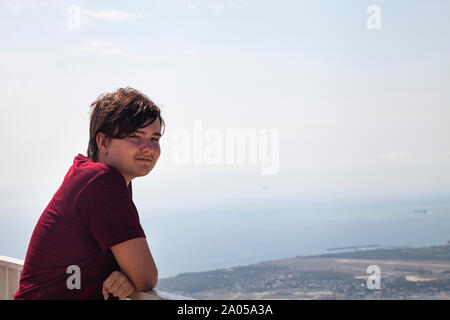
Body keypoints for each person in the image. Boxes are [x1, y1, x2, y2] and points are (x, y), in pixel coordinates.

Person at [14, 87, 164, 300]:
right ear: (103, 142)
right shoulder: (102, 181)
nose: (148, 148)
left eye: (155, 139)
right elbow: (146, 276)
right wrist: (130, 275)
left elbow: (137, 274)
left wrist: (125, 276)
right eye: (135, 137)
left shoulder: (89, 174)